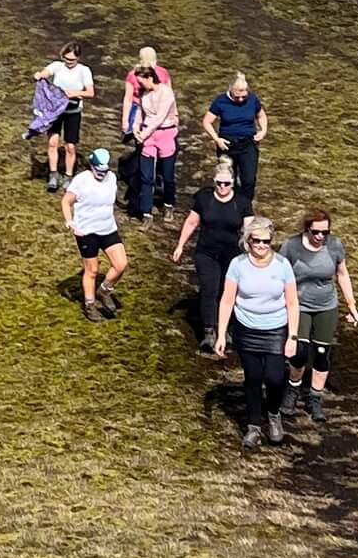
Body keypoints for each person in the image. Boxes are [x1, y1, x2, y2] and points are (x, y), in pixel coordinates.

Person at [214, 214, 300, 448]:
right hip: (246, 329)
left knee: (274, 378)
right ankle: (253, 426)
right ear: (247, 240)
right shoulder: (237, 265)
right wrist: (221, 334)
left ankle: (273, 414)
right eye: (256, 241)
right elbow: (227, 300)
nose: (261, 246)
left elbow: (292, 302)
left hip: (275, 330)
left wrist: (292, 336)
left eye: (266, 241)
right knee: (252, 378)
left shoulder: (282, 265)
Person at [280, 209, 358, 424]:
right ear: (307, 229)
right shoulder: (291, 246)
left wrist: (351, 304)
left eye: (325, 232)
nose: (321, 237)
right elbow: (278, 273)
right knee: (300, 351)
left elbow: (342, 274)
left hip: (326, 306)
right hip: (300, 305)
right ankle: (293, 387)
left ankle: (315, 397)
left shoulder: (334, 246)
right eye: (316, 232)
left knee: (322, 352)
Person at [171, 163, 248, 352]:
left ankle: (226, 329)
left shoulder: (242, 202)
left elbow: (249, 229)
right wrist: (180, 246)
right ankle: (209, 331)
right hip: (206, 253)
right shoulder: (204, 199)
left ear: (233, 183)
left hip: (232, 256)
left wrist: (252, 253)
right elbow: (191, 222)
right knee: (209, 289)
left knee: (227, 291)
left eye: (227, 184)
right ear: (214, 182)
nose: (223, 187)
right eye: (219, 183)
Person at [62, 147, 128, 317]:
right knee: (92, 270)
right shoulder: (81, 180)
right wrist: (70, 222)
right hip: (87, 232)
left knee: (121, 264)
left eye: (104, 170)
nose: (102, 174)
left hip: (107, 229)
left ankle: (104, 290)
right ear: (92, 166)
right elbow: (66, 201)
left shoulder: (111, 178)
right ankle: (90, 304)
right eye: (99, 170)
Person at [119, 48, 179, 218]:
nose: (140, 86)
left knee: (167, 176)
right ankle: (146, 212)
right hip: (148, 137)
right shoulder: (144, 94)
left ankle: (168, 204)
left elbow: (159, 117)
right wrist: (136, 127)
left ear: (150, 78)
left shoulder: (166, 94)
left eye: (142, 82)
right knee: (147, 176)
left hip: (165, 134)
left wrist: (143, 134)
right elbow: (139, 111)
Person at [34, 44, 95, 189]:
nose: (69, 62)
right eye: (66, 59)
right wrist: (39, 75)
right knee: (52, 143)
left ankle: (68, 176)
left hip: (73, 112)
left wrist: (73, 93)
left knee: (70, 146)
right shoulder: (57, 66)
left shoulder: (84, 71)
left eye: (72, 60)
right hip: (56, 111)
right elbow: (46, 72)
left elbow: (90, 92)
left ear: (78, 58)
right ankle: (53, 174)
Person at [201, 72, 267, 205]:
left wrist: (263, 131)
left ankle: (246, 208)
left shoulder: (253, 99)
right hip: (227, 146)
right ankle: (230, 206)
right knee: (228, 178)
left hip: (248, 144)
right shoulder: (220, 101)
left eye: (244, 96)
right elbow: (207, 121)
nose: (241, 100)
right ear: (231, 90)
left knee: (248, 180)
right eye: (237, 97)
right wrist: (217, 139)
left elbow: (261, 116)